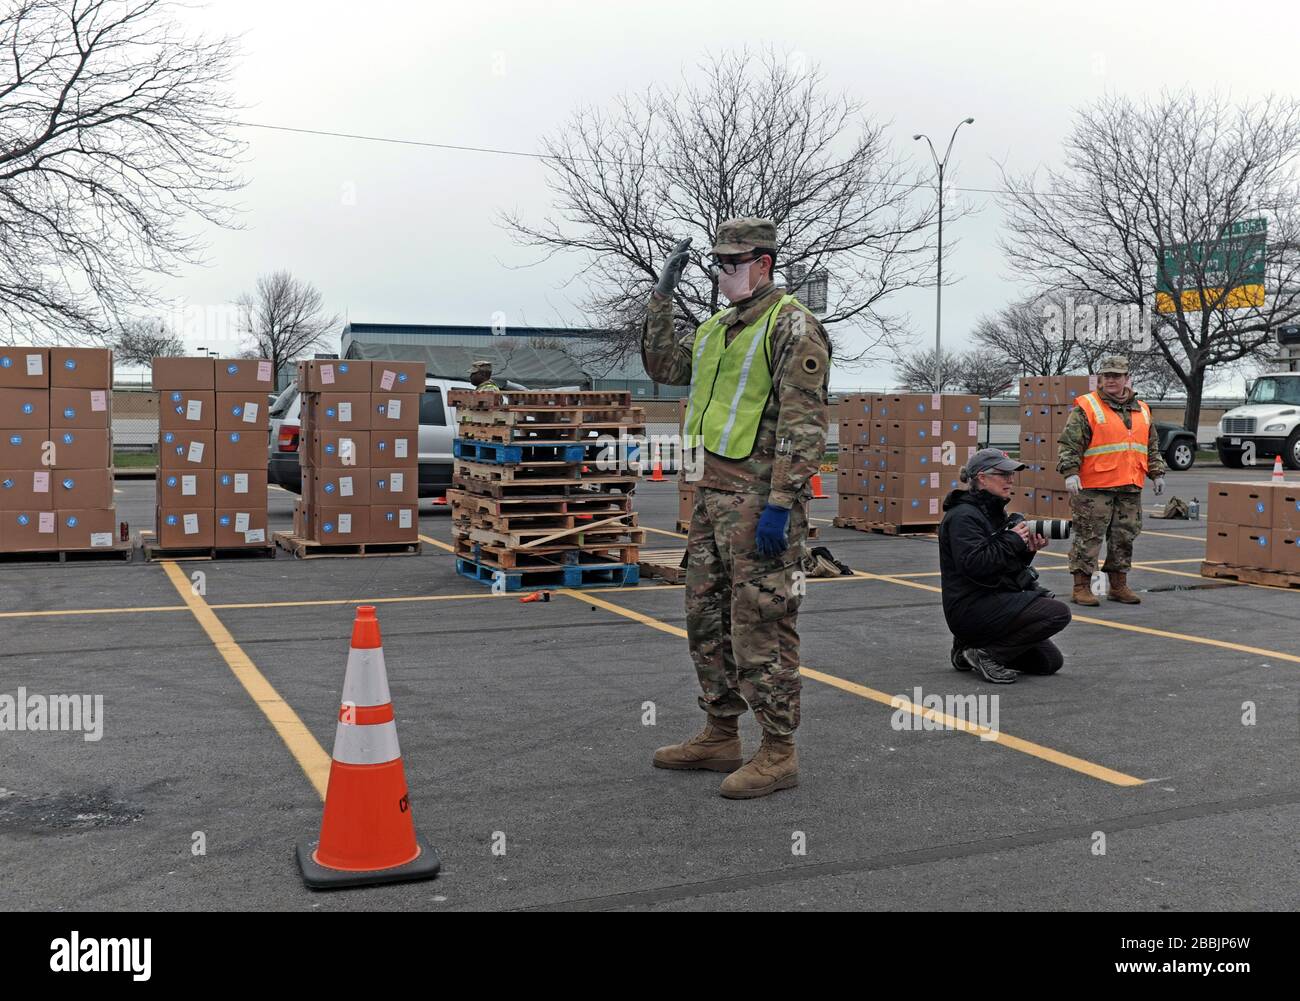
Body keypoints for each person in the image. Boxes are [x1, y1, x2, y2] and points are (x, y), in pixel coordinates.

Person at [640, 217, 830, 800]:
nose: (722, 274)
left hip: (759, 503)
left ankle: (778, 751)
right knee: (705, 620)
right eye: (716, 264)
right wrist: (662, 299)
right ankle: (720, 732)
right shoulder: (718, 328)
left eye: (732, 263)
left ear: (763, 263)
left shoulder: (792, 326)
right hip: (711, 497)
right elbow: (664, 369)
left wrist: (782, 504)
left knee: (761, 623)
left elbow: (804, 425)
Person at [938, 448, 1072, 684]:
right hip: (970, 607)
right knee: (1057, 613)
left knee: (1049, 662)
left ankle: (967, 648)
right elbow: (975, 565)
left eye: (1012, 474)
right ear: (982, 478)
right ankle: (986, 654)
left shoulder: (993, 512)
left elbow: (1000, 566)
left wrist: (1027, 551)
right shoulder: (963, 516)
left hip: (991, 599)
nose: (1010, 480)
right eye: (1003, 474)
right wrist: (1012, 540)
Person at [1056, 355, 1166, 606]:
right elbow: (1069, 444)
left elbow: (1151, 446)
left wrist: (1157, 473)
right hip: (1094, 488)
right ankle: (1081, 586)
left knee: (1124, 537)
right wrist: (1070, 472)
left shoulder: (1143, 409)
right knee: (1089, 536)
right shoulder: (1087, 407)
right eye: (1107, 376)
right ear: (1100, 379)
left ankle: (1118, 584)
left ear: (1127, 378)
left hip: (1129, 485)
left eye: (1116, 376)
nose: (1111, 380)